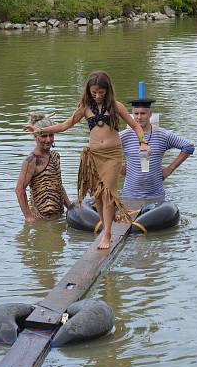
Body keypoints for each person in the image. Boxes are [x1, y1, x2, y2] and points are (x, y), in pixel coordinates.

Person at [23, 71, 151, 249]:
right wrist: (38, 130)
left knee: (108, 193)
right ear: (89, 91)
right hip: (94, 156)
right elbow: (65, 125)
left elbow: (136, 126)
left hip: (113, 155)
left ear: (108, 91)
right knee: (98, 196)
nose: (98, 96)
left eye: (101, 92)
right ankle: (106, 226)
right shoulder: (85, 108)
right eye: (94, 92)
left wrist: (143, 142)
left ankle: (107, 235)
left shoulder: (116, 106)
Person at [120, 96, 194, 201]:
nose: (139, 117)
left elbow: (188, 147)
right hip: (130, 195)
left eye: (143, 113)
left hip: (156, 196)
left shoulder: (162, 135)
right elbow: (104, 151)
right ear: (132, 115)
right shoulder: (124, 136)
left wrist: (169, 170)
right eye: (136, 114)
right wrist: (119, 167)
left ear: (150, 114)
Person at [16, 113, 71, 222]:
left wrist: (70, 208)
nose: (48, 140)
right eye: (44, 136)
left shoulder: (55, 156)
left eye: (51, 135)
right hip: (40, 219)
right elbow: (19, 190)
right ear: (35, 136)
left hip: (59, 215)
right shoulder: (31, 160)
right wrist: (28, 217)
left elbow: (59, 185)